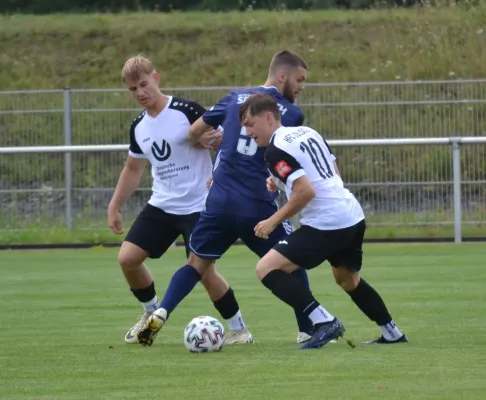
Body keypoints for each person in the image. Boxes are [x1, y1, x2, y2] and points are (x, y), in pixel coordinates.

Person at [136, 50, 316, 347]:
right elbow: (287, 155)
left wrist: (209, 142)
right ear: (282, 76)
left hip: (217, 200)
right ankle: (308, 329)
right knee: (292, 261)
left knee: (196, 263)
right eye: (299, 80)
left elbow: (194, 132)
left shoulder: (233, 97)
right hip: (256, 205)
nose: (301, 87)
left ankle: (162, 312)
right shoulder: (289, 112)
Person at [239, 93, 408, 349]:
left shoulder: (275, 151)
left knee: (266, 268)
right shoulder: (307, 132)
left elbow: (306, 192)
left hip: (327, 223)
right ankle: (392, 333)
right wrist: (281, 182)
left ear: (269, 117)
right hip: (351, 214)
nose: (249, 133)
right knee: (348, 280)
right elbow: (330, 170)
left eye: (251, 125)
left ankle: (324, 321)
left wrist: (272, 221)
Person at [108, 55, 252, 344]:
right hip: (162, 204)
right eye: (133, 89)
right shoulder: (138, 126)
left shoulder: (186, 110)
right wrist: (115, 205)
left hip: (200, 204)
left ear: (156, 78)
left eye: (144, 84)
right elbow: (133, 168)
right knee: (127, 258)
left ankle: (239, 329)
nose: (140, 93)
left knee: (203, 270)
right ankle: (149, 314)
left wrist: (209, 141)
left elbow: (227, 141)